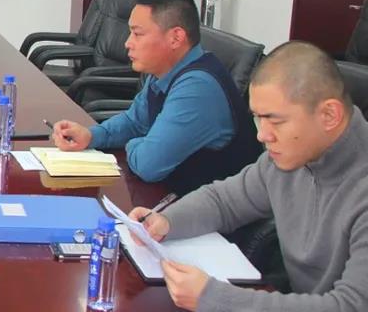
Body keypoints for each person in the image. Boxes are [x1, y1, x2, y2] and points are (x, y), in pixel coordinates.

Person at [130, 41, 368, 311]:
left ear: (329, 115)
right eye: (258, 118)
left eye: (275, 121)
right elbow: (224, 201)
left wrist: (214, 298)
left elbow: (351, 306)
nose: (262, 135)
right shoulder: (286, 159)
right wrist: (167, 221)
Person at [51, 0, 260, 193]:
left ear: (175, 38)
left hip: (213, 210)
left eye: (137, 34)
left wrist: (135, 143)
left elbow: (148, 165)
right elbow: (135, 121)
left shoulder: (198, 88)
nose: (128, 43)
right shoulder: (165, 70)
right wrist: (91, 136)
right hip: (172, 195)